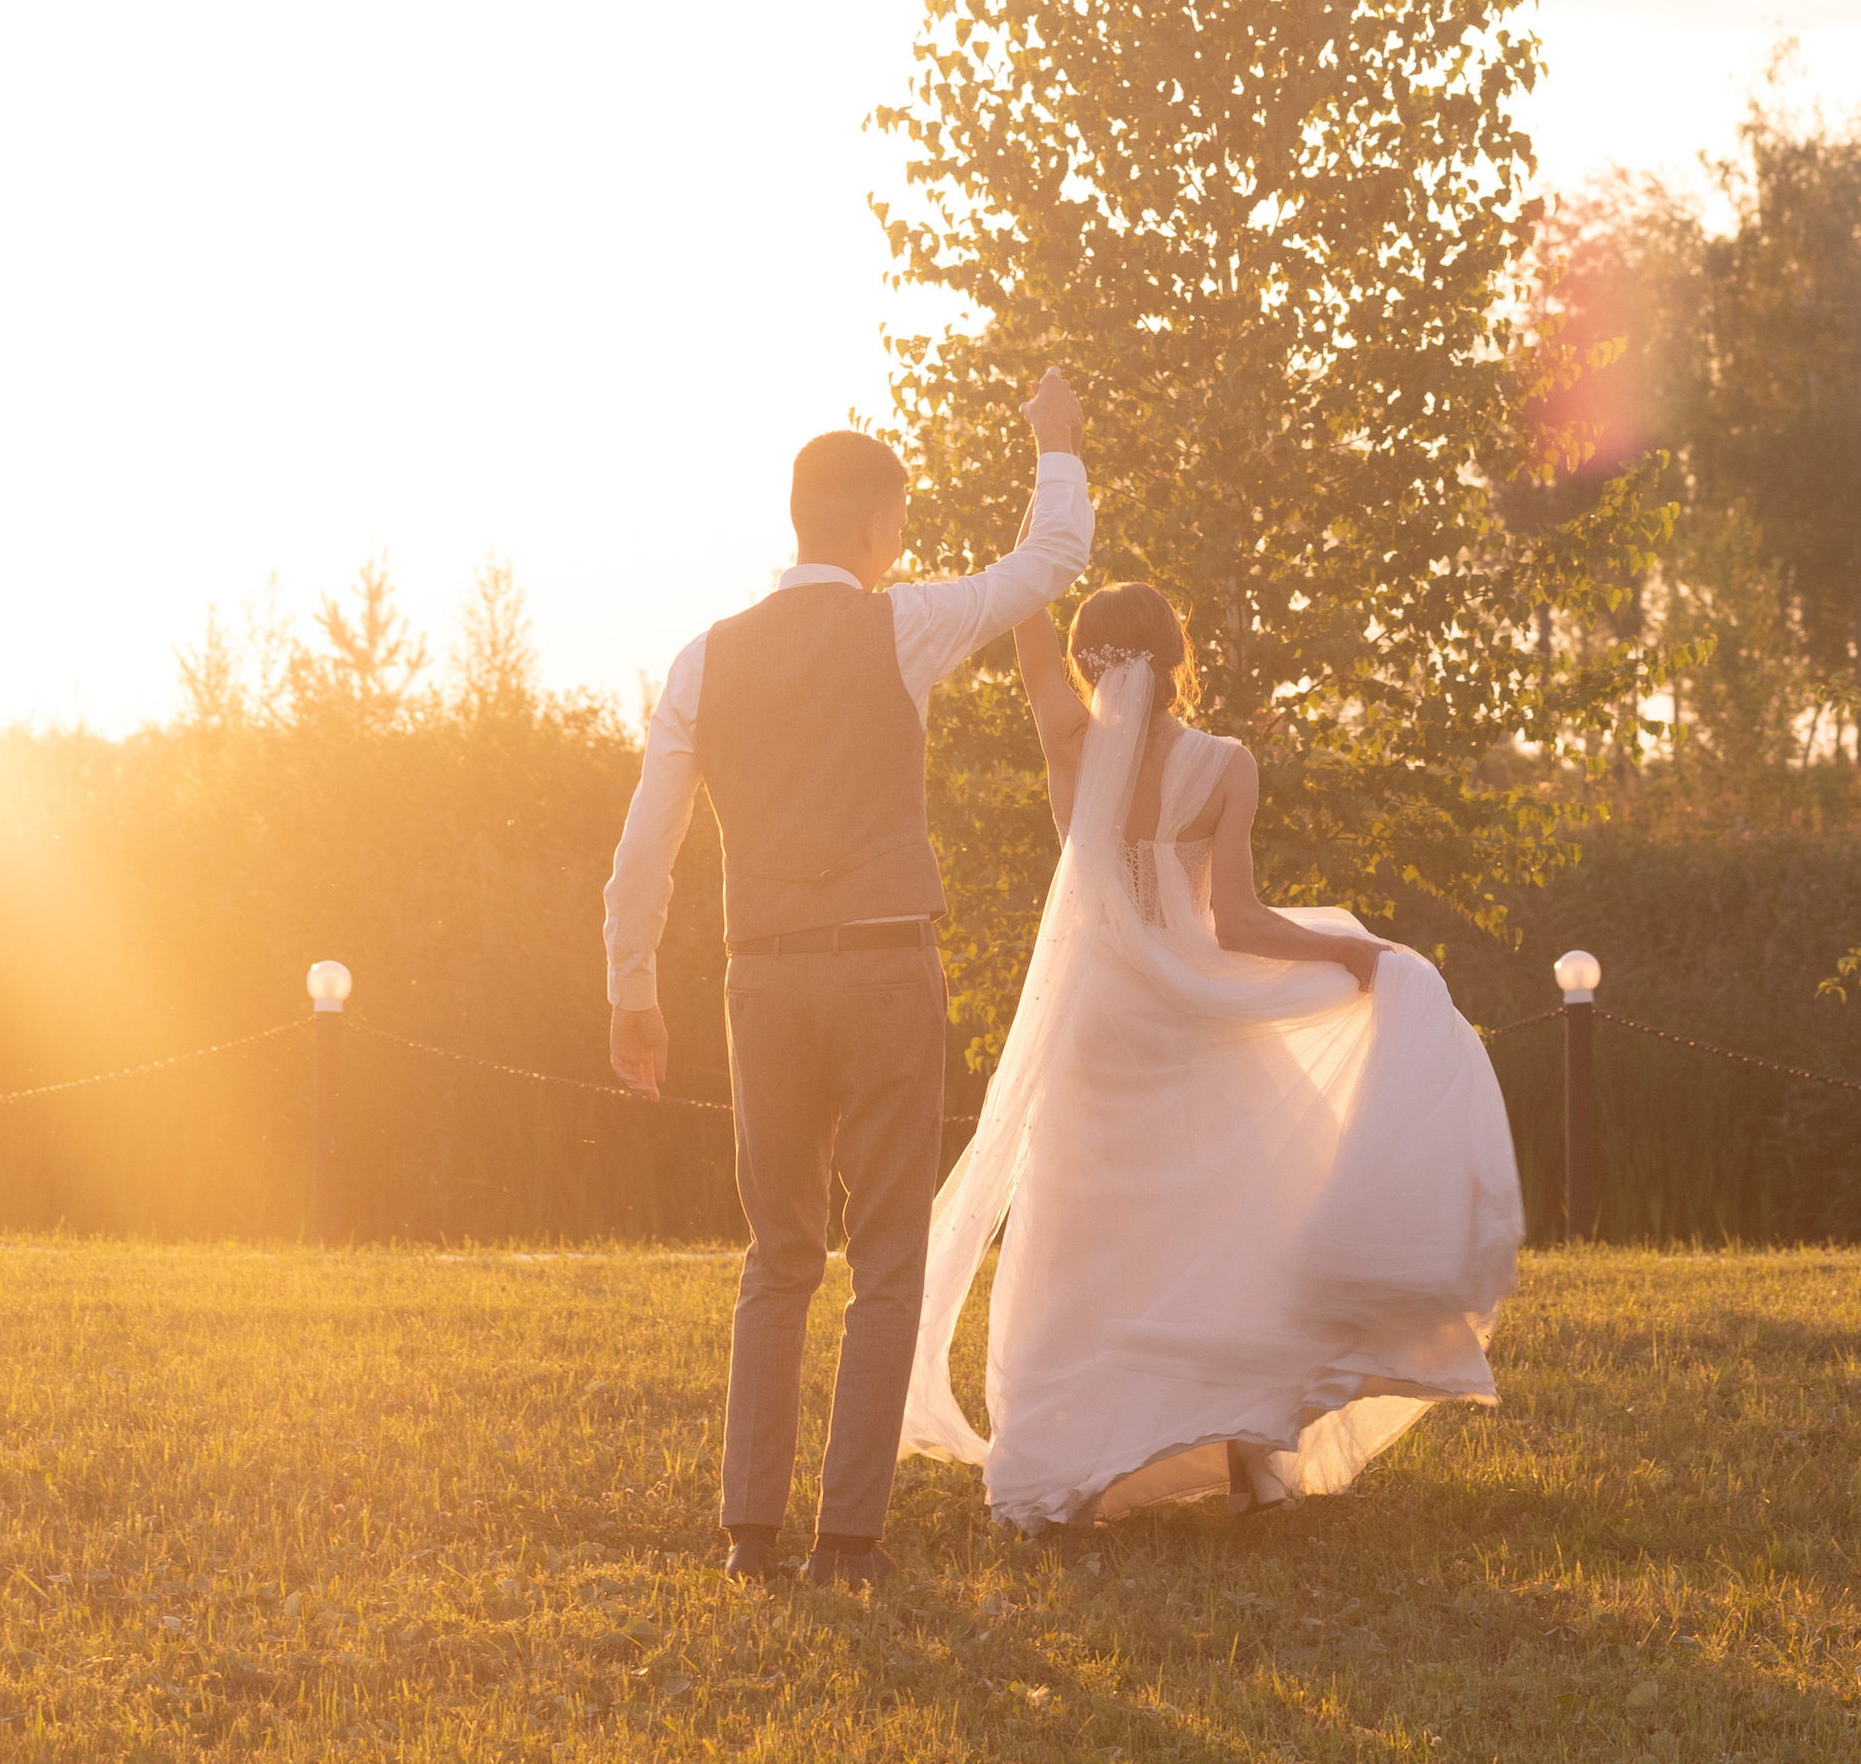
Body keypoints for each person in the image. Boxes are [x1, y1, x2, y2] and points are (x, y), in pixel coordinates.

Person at [900, 579, 1522, 1530]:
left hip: (1097, 1024)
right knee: (1226, 1232)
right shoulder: (1227, 764)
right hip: (1188, 1021)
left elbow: (1027, 623)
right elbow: (1234, 923)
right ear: (1179, 657)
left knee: (1084, 1243)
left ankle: (1060, 1470)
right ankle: (1247, 1464)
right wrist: (1349, 951)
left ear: (1084, 664)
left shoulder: (1069, 743)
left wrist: (1050, 479)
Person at [605, 376, 1093, 1588]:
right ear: (875, 529)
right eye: (899, 526)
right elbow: (1048, 561)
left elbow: (643, 845)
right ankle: (847, 1543)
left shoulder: (701, 660)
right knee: (885, 1261)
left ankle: (746, 1537)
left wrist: (631, 991)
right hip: (883, 972)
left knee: (777, 1255)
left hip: (759, 984)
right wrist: (1054, 444)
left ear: (794, 520)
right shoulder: (900, 624)